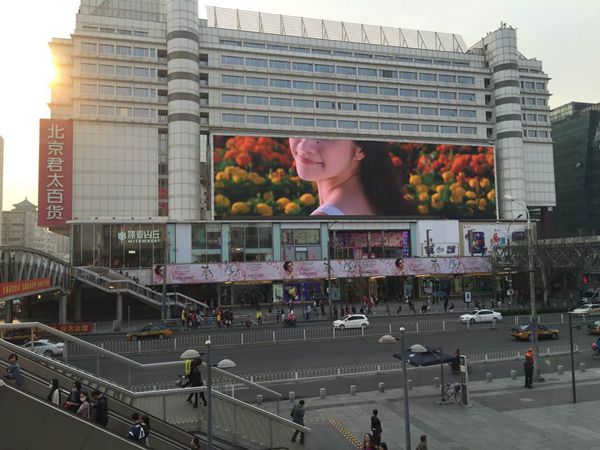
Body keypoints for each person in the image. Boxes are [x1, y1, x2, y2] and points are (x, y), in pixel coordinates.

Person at [288, 138, 407, 216]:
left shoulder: (321, 224)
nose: (303, 147)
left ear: (360, 150)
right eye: (301, 125)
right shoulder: (379, 202)